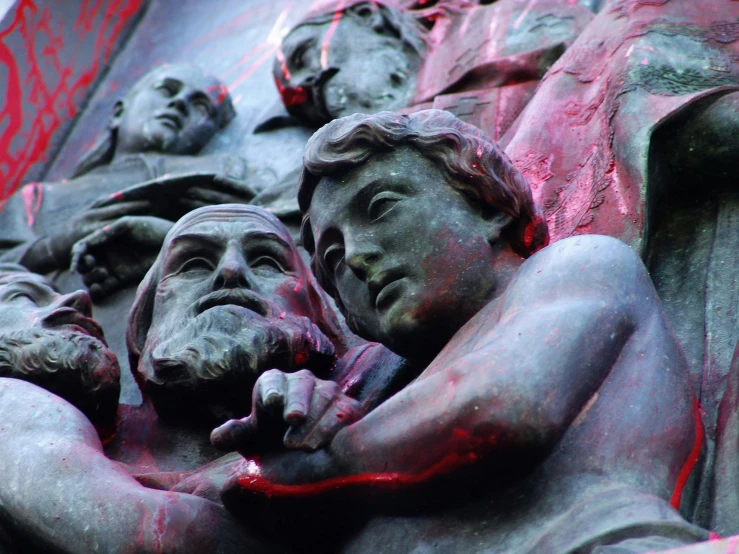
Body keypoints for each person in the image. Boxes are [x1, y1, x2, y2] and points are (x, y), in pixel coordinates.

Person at [217, 111, 708, 553]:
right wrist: (289, 428)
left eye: (382, 206)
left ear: (486, 203)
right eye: (334, 258)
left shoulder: (576, 267)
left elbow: (501, 409)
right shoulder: (378, 391)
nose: (360, 257)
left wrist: (321, 463)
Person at [0, 64, 256, 400]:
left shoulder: (225, 172)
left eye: (200, 107)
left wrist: (175, 239)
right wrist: (57, 243)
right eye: (167, 90)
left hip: (191, 345)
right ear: (118, 112)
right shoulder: (38, 200)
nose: (179, 104)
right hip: (61, 354)